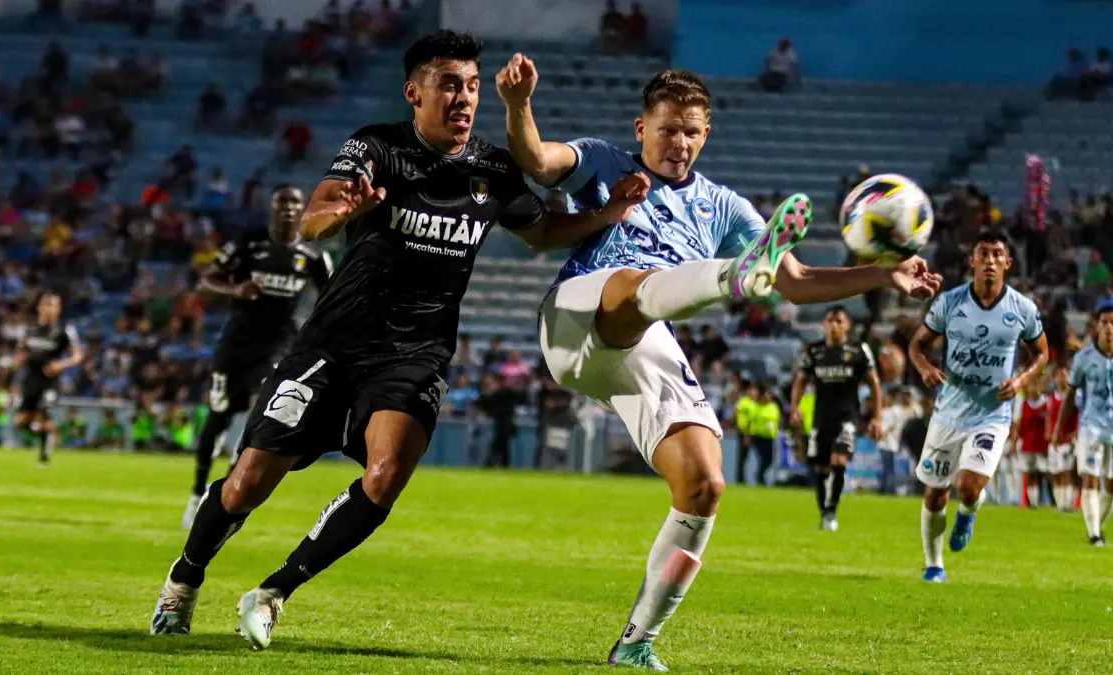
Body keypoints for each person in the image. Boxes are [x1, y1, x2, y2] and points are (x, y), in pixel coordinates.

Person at [150, 31, 648, 647]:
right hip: (332, 345)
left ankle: (274, 591)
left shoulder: (492, 168)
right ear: (415, 92)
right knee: (248, 481)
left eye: (470, 85)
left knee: (387, 475)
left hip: (415, 353)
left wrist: (606, 214)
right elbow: (314, 217)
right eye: (448, 85)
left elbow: (541, 231)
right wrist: (345, 212)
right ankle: (184, 579)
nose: (463, 98)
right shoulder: (376, 146)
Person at [496, 55, 940, 669]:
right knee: (636, 282)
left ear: (706, 135)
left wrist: (884, 274)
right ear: (641, 128)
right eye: (668, 127)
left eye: (691, 131)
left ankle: (637, 642)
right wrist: (519, 105)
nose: (679, 141)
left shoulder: (724, 206)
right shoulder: (603, 161)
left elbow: (800, 280)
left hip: (643, 344)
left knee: (705, 483)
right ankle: (734, 275)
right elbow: (536, 160)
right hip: (578, 315)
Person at [181, 184, 335, 529]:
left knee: (264, 407)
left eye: (295, 203)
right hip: (237, 344)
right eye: (281, 203)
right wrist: (236, 289)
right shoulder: (248, 243)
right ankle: (196, 492)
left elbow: (331, 297)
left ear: (301, 209)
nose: (288, 209)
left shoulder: (312, 254)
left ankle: (225, 490)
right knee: (218, 416)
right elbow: (205, 282)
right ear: (272, 208)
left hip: (279, 347)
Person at [909, 231, 1049, 582]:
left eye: (996, 254)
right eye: (982, 253)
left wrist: (1019, 381)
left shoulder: (1022, 309)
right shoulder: (949, 303)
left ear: (1007, 263)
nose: (989, 260)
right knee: (936, 494)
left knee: (969, 486)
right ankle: (934, 564)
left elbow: (1043, 353)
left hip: (992, 414)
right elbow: (917, 346)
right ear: (971, 261)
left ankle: (969, 511)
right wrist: (926, 368)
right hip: (949, 413)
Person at [790, 306, 881, 530]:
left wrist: (877, 416)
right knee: (821, 469)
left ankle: (831, 512)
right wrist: (795, 407)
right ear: (823, 325)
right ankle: (825, 512)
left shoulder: (858, 350)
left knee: (839, 460)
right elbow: (801, 381)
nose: (834, 325)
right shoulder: (814, 352)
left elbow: (874, 383)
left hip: (847, 417)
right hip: (821, 418)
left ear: (847, 326)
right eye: (830, 321)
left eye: (839, 321)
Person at [1051, 303, 1113, 545]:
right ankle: (1094, 534)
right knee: (1090, 477)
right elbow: (1069, 396)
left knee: (1110, 484)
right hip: (1090, 427)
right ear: (1096, 326)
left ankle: (1099, 525)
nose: (1109, 328)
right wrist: (1058, 428)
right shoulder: (1083, 358)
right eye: (1105, 322)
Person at [12, 292, 84, 465]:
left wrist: (61, 365)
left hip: (49, 382)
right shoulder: (29, 330)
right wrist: (18, 361)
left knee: (43, 414)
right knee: (21, 422)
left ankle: (44, 456)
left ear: (58, 309)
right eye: (46, 305)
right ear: (39, 307)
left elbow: (78, 356)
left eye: (53, 305)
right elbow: (20, 354)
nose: (49, 309)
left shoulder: (64, 329)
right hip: (30, 380)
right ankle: (50, 433)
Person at [1011, 372, 1051, 508]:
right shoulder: (1022, 404)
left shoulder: (1047, 402)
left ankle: (1055, 500)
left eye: (1035, 385)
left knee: (1047, 473)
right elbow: (1017, 424)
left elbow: (1050, 422)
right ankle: (1032, 502)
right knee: (1029, 473)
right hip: (1027, 443)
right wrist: (1014, 442)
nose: (1032, 388)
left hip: (1043, 444)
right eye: (1030, 385)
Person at [1047, 365, 1080, 513]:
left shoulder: (1075, 397)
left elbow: (1080, 416)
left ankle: (1068, 504)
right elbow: (1049, 417)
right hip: (1054, 441)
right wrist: (1048, 432)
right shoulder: (1051, 397)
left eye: (1064, 375)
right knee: (1055, 473)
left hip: (1068, 439)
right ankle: (1060, 504)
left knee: (1067, 472)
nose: (1061, 378)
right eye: (1059, 375)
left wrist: (1075, 434)